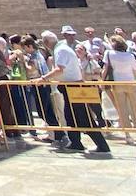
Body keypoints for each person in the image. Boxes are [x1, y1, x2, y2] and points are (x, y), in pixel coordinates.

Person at [41, 25, 111, 155]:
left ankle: (102, 144)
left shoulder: (60, 50)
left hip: (73, 86)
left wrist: (43, 78)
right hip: (69, 86)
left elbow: (59, 69)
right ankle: (76, 143)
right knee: (71, 116)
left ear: (46, 43)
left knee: (82, 117)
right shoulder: (62, 48)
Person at [102, 37, 136, 143]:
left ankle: (127, 134)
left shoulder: (109, 53)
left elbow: (105, 69)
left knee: (121, 109)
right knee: (135, 108)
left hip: (117, 83)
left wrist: (102, 81)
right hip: (130, 81)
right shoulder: (130, 55)